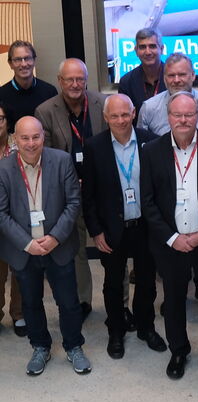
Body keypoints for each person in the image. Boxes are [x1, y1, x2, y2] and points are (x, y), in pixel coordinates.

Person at [140, 91, 198, 380]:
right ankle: (178, 350)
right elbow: (148, 201)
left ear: (197, 116)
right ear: (168, 117)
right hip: (170, 242)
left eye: (189, 114)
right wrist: (172, 238)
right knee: (175, 297)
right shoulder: (152, 150)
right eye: (177, 114)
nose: (183, 119)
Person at [0, 116, 91, 375]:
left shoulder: (61, 161)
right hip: (24, 250)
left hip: (58, 245)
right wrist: (27, 243)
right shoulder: (3, 169)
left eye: (36, 137)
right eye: (24, 138)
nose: (31, 143)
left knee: (69, 301)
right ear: (14, 139)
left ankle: (74, 346)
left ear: (43, 136)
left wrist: (54, 238)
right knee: (31, 303)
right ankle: (40, 346)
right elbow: (1, 214)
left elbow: (74, 202)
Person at [82, 94, 166, 359]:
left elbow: (161, 187)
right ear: (106, 118)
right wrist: (95, 230)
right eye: (114, 116)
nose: (120, 120)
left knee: (146, 282)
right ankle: (116, 331)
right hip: (111, 229)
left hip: (145, 226)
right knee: (113, 283)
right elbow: (89, 195)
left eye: (125, 114)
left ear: (133, 114)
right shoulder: (94, 147)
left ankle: (145, 326)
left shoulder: (149, 141)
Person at [34, 58, 108, 321]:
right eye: (70, 79)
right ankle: (83, 301)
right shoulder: (45, 111)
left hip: (101, 190)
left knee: (111, 245)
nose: (75, 84)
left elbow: (111, 147)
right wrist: (71, 182)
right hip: (69, 191)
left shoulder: (102, 104)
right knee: (75, 250)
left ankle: (119, 303)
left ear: (86, 80)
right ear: (60, 81)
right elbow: (49, 156)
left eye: (80, 79)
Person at [137, 53, 198, 136]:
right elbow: (143, 143)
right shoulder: (148, 108)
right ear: (164, 78)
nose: (176, 80)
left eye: (182, 75)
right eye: (171, 75)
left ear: (193, 75)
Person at [0, 101, 26, 336]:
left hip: (16, 215)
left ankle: (19, 314)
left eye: (0, 118)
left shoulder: (17, 145)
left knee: (19, 269)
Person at [0, 40, 57, 123]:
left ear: (34, 60)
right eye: (18, 59)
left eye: (27, 58)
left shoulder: (50, 92)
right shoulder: (1, 95)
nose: (23, 64)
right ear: (10, 64)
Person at [118, 28, 167, 123]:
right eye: (142, 47)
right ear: (136, 51)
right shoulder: (126, 82)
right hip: (140, 136)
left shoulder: (174, 78)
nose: (148, 52)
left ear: (161, 49)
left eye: (152, 46)